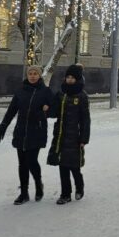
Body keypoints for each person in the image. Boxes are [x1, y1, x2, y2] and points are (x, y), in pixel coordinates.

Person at [0, 65, 54, 205]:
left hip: (37, 131)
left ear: (39, 76)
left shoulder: (45, 91)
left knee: (31, 161)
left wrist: (45, 112)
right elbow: (11, 110)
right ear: (27, 75)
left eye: (35, 73)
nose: (32, 76)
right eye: (30, 73)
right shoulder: (21, 91)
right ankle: (24, 193)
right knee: (22, 163)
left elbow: (54, 110)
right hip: (21, 131)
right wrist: (3, 125)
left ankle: (38, 184)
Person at [48, 64, 90, 204]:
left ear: (77, 79)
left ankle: (79, 187)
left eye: (72, 77)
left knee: (74, 167)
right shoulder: (61, 94)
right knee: (62, 166)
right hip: (60, 135)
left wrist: (84, 138)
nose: (70, 79)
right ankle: (65, 194)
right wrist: (47, 108)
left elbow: (85, 119)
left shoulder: (82, 96)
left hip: (75, 137)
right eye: (68, 77)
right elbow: (53, 112)